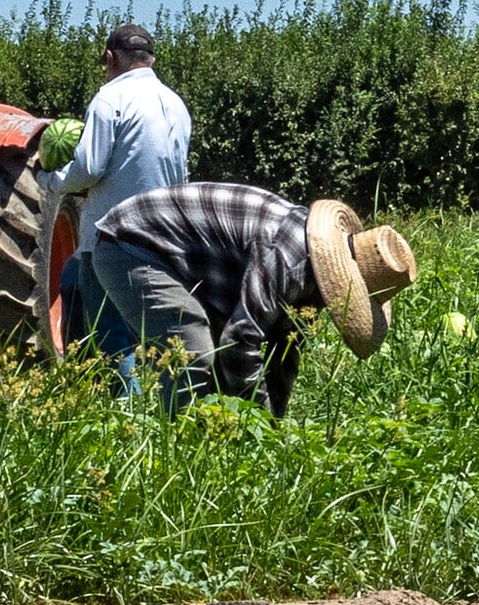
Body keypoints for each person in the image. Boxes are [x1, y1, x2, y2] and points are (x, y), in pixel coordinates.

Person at [89, 183, 416, 413]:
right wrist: (256, 419)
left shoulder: (312, 280)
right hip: (132, 245)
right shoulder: (290, 262)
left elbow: (284, 350)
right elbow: (240, 341)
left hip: (182, 259)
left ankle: (209, 453)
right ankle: (175, 462)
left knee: (217, 373)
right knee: (194, 356)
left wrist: (273, 421)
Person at [39, 23, 192, 389]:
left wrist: (50, 181)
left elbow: (89, 168)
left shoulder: (110, 99)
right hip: (166, 235)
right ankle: (160, 406)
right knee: (151, 329)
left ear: (110, 58)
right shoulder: (175, 103)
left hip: (112, 236)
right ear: (151, 58)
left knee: (111, 333)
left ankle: (123, 410)